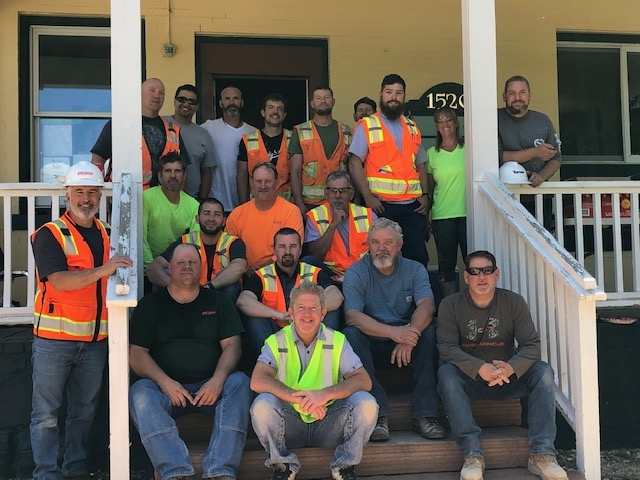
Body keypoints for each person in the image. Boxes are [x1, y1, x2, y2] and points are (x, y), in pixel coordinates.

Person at [30, 161, 133, 479]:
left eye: (92, 192)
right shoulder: (50, 234)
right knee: (46, 414)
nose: (86, 199)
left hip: (95, 342)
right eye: (79, 192)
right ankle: (46, 472)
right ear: (67, 195)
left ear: (100, 195)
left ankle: (74, 470)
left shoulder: (106, 233)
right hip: (53, 341)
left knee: (84, 413)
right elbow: (60, 281)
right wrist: (105, 269)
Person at [437, 250, 567, 480]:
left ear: (497, 274)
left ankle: (542, 454)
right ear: (466, 277)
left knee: (543, 372)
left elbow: (531, 345)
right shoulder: (451, 305)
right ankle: (472, 454)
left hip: (507, 379)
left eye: (487, 271)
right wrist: (480, 368)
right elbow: (446, 348)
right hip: (471, 381)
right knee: (447, 374)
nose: (481, 277)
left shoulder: (513, 302)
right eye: (474, 272)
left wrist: (510, 367)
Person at [129, 243, 250, 480]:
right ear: (170, 268)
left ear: (202, 269)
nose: (187, 267)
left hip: (211, 389)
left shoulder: (219, 301)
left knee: (240, 383)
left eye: (193, 262)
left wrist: (217, 380)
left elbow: (233, 346)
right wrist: (165, 383)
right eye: (181, 263)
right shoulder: (151, 305)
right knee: (140, 392)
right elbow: (136, 354)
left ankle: (220, 470)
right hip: (167, 392)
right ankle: (175, 471)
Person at [250, 281, 377, 480]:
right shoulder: (276, 341)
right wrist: (302, 400)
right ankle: (283, 466)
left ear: (323, 313)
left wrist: (323, 395)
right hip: (290, 423)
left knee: (367, 403)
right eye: (301, 308)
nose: (307, 314)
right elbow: (257, 380)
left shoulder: (337, 340)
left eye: (313, 308)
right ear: (291, 313)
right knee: (262, 405)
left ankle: (344, 467)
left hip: (327, 421)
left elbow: (363, 380)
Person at [342, 218, 444, 442]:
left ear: (400, 245)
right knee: (350, 336)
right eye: (375, 243)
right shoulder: (356, 272)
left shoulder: (414, 269)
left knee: (429, 333)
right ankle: (378, 414)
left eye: (388, 242)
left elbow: (427, 305)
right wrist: (393, 333)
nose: (381, 248)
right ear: (368, 245)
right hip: (374, 341)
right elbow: (353, 316)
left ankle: (425, 415)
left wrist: (409, 336)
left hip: (406, 344)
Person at [348, 74, 430, 268]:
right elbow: (354, 163)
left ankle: (416, 298)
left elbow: (421, 164)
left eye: (398, 93)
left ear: (404, 97)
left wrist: (425, 195)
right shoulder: (367, 125)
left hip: (413, 205)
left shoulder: (412, 126)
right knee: (382, 259)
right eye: (389, 92)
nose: (393, 97)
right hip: (381, 205)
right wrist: (367, 196)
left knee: (417, 258)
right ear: (381, 95)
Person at [236, 228, 343, 358]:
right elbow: (243, 302)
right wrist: (278, 315)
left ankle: (323, 360)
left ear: (300, 249)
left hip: (309, 330)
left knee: (331, 311)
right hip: (275, 334)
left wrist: (303, 312)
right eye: (282, 247)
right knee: (254, 318)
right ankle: (269, 366)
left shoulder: (315, 272)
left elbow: (336, 296)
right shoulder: (261, 275)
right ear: (274, 250)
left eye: (293, 246)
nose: (287, 252)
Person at [91, 77, 190, 189]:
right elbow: (98, 158)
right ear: (139, 94)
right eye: (152, 91)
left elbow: (183, 168)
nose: (157, 96)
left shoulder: (173, 130)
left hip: (162, 199)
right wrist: (97, 190)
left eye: (161, 93)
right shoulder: (120, 125)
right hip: (126, 197)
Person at [146, 197, 247, 302]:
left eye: (216, 214)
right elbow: (153, 268)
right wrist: (173, 286)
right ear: (197, 219)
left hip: (218, 293)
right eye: (207, 213)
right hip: (188, 293)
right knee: (164, 274)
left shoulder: (234, 242)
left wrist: (210, 287)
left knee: (231, 286)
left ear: (223, 221)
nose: (211, 219)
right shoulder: (185, 240)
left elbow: (239, 267)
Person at [498, 75, 562, 230]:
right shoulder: (495, 119)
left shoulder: (543, 120)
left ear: (530, 95)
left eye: (522, 92)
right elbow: (500, 156)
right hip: (506, 196)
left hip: (539, 197)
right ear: (504, 96)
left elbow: (556, 158)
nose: (517, 98)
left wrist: (541, 176)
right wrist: (536, 152)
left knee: (540, 245)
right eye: (512, 93)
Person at [225, 162, 303, 269]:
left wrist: (262, 269)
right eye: (258, 181)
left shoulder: (291, 211)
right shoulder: (237, 214)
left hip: (279, 271)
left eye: (268, 181)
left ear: (277, 183)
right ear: (251, 183)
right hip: (243, 273)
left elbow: (292, 250)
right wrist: (244, 270)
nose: (263, 186)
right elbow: (227, 250)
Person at [289, 86, 352, 213]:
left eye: (327, 97)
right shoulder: (300, 131)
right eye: (318, 98)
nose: (323, 101)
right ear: (312, 103)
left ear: (333, 101)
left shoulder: (346, 131)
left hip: (340, 202)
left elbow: (352, 168)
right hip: (310, 204)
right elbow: (294, 171)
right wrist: (299, 203)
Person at [304, 171, 376, 280]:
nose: (337, 196)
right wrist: (333, 224)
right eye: (333, 191)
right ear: (326, 194)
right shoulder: (315, 216)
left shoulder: (368, 215)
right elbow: (314, 254)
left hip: (363, 273)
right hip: (331, 274)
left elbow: (380, 248)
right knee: (307, 261)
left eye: (342, 191)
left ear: (351, 194)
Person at [426, 106, 467, 299]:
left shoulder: (469, 149)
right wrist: (427, 217)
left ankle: (472, 306)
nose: (445, 125)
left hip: (469, 214)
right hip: (442, 216)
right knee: (446, 266)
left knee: (472, 263)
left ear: (456, 123)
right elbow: (430, 189)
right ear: (436, 127)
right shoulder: (431, 154)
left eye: (448, 120)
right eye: (440, 121)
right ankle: (449, 308)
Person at [201, 86, 256, 213]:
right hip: (215, 204)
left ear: (242, 102)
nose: (231, 103)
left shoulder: (253, 132)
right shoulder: (208, 128)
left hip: (245, 203)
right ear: (221, 103)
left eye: (235, 98)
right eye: (227, 99)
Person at [143, 152, 200, 273]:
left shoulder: (194, 205)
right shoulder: (145, 198)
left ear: (184, 176)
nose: (173, 175)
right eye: (168, 171)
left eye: (178, 171)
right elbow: (140, 238)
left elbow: (194, 243)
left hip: (180, 269)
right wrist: (150, 268)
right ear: (159, 176)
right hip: (148, 268)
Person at [164, 84, 216, 199]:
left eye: (191, 102)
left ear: (197, 106)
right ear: (174, 101)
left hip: (192, 199)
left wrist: (202, 200)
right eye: (182, 99)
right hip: (161, 197)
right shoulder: (161, 124)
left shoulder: (203, 134)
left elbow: (206, 172)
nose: (186, 104)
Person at [237, 93, 292, 204]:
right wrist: (243, 206)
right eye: (270, 108)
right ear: (263, 113)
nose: (275, 112)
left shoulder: (293, 139)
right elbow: (242, 176)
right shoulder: (248, 140)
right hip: (257, 205)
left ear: (284, 114)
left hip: (286, 205)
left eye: (279, 109)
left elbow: (298, 174)